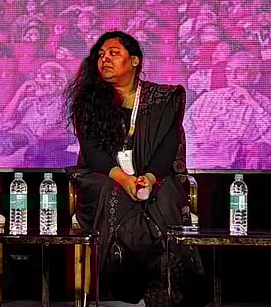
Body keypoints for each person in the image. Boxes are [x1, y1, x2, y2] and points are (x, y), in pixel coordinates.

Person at [66, 31, 203, 307]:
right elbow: (93, 152)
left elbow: (168, 146)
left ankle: (163, 279)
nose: (104, 59)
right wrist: (124, 179)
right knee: (115, 193)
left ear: (135, 60)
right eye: (101, 55)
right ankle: (148, 276)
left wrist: (149, 178)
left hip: (152, 174)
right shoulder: (89, 100)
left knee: (164, 194)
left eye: (113, 53)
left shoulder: (163, 99)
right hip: (105, 176)